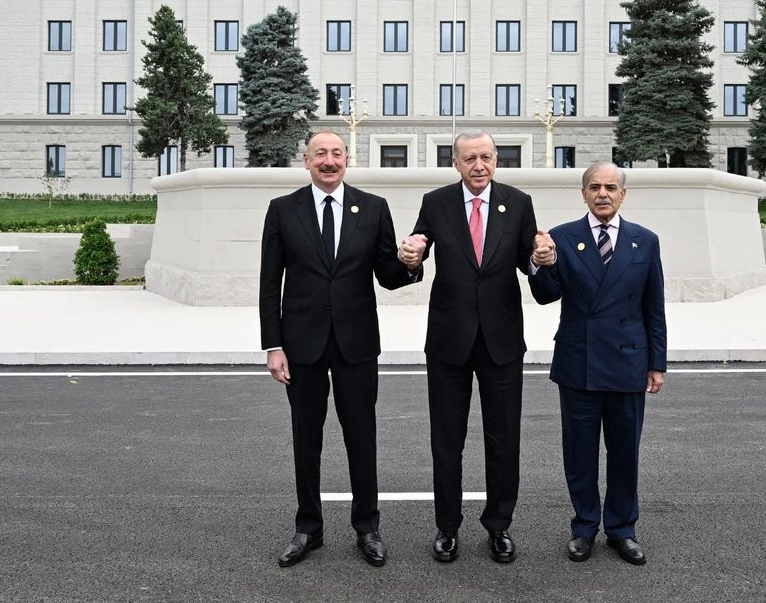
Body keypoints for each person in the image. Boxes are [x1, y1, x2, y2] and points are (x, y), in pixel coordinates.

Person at [259, 131, 417, 568]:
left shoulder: (373, 208)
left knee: (361, 437)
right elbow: (270, 284)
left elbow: (387, 274)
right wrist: (273, 345)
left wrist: (410, 263)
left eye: (336, 154)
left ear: (348, 158)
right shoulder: (282, 209)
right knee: (306, 439)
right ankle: (308, 528)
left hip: (357, 343)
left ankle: (367, 527)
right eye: (320, 154)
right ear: (306, 160)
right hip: (301, 345)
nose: (329, 161)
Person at [398, 129, 537, 564]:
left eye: (487, 157)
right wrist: (411, 258)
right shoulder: (436, 202)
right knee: (446, 440)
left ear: (496, 160)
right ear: (455, 163)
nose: (480, 166)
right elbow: (417, 249)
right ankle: (447, 526)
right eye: (470, 158)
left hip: (501, 341)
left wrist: (541, 259)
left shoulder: (518, 203)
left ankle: (499, 525)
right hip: (448, 340)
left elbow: (529, 260)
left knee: (504, 439)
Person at [528, 162, 666, 566]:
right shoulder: (561, 237)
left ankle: (622, 529)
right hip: (579, 362)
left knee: (624, 453)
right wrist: (540, 264)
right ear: (584, 193)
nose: (602, 194)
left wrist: (656, 362)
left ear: (622, 194)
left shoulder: (645, 240)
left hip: (628, 361)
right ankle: (584, 527)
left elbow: (653, 307)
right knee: (580, 454)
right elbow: (546, 295)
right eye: (594, 187)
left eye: (609, 187)